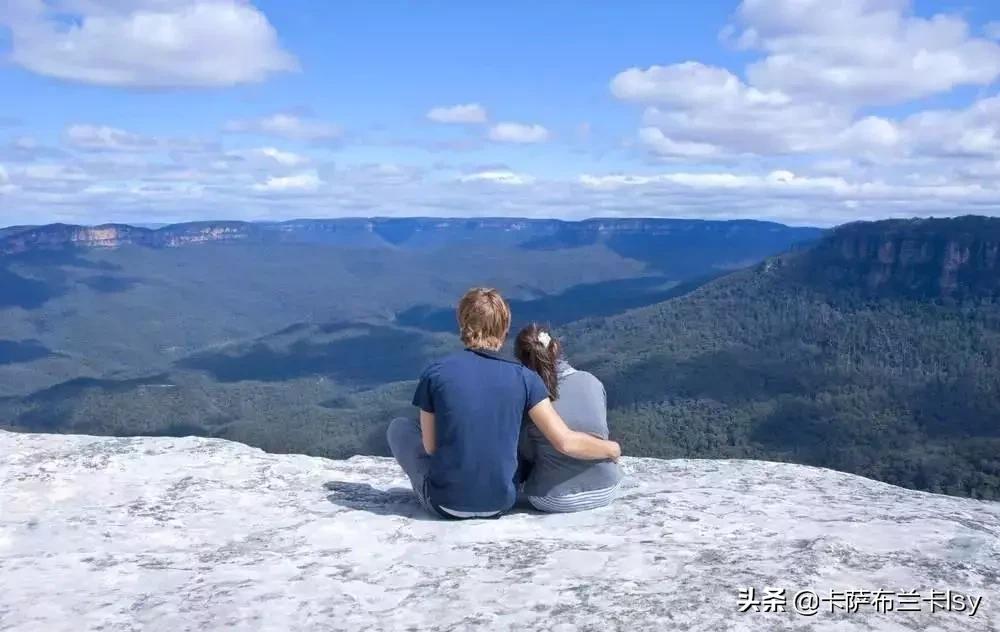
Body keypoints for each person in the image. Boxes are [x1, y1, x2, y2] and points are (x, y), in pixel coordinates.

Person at [387, 287, 621, 519]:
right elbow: (562, 439)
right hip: (501, 502)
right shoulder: (526, 378)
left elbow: (430, 448)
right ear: (505, 327)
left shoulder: (436, 373)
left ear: (462, 323)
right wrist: (610, 448)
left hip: (446, 504)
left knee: (399, 427)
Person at [514, 323, 622, 513]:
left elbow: (527, 452)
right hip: (607, 489)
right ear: (555, 347)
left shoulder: (529, 396)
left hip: (552, 498)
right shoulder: (591, 381)